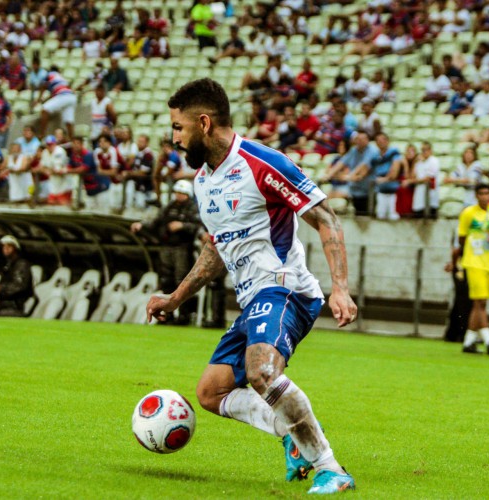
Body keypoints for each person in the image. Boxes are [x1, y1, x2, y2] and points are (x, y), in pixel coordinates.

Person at [148, 78, 356, 494]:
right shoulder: (205, 181)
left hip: (285, 288)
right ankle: (289, 433)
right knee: (211, 392)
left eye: (178, 128)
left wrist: (341, 287)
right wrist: (175, 297)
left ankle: (331, 469)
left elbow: (326, 218)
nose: (173, 138)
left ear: (203, 123)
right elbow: (217, 248)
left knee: (262, 372)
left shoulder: (263, 162)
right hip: (252, 298)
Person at [131, 179, 202, 325]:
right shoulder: (169, 207)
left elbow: (198, 227)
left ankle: (185, 316)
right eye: (177, 192)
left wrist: (182, 225)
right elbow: (156, 221)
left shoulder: (193, 208)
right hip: (167, 246)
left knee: (182, 280)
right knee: (166, 281)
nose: (178, 195)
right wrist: (142, 225)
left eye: (181, 193)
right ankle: (167, 315)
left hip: (183, 248)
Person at [456, 183, 489, 355]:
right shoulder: (468, 213)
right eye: (481, 193)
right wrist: (465, 254)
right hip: (474, 262)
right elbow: (461, 237)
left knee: (479, 304)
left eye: (487, 193)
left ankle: (469, 342)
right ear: (476, 196)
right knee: (480, 302)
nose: (484, 196)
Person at [0, 235, 33, 317]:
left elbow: (19, 285)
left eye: (9, 246)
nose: (6, 248)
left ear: (16, 248)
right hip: (4, 304)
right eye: (4, 246)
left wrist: (0, 288)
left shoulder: (21, 264)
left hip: (16, 306)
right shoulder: (7, 265)